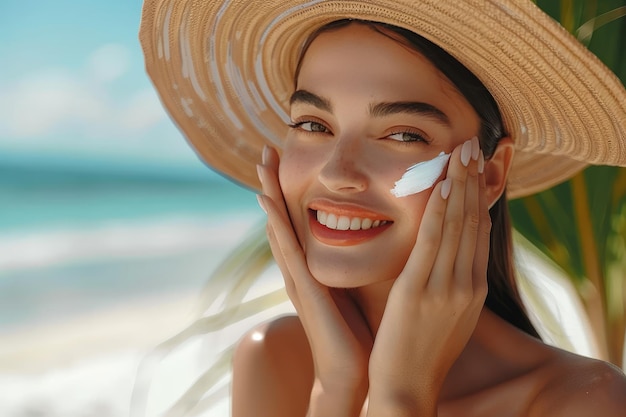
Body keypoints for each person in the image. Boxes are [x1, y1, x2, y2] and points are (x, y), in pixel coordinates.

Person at [139, 1, 626, 416]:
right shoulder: (277, 360)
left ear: (491, 174)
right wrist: (334, 391)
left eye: (403, 135)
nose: (336, 173)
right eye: (312, 124)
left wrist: (401, 397)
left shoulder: (584, 401)